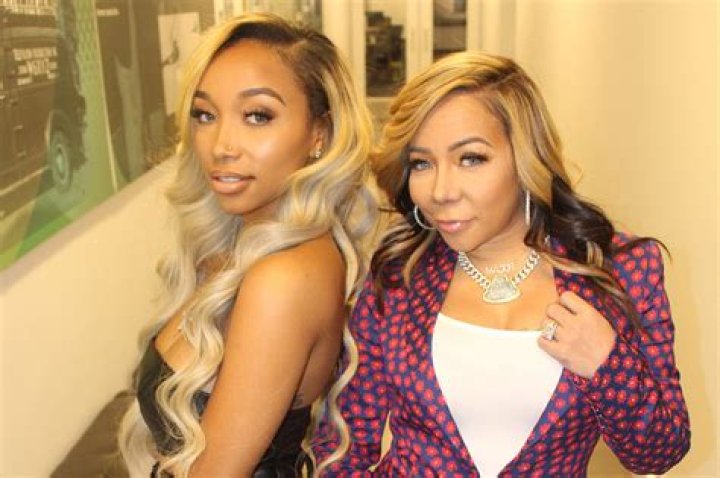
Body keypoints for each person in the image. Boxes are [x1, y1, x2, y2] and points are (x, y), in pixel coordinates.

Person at [312, 51, 690, 476]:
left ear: (526, 158)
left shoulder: (620, 268)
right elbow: (341, 445)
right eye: (421, 163)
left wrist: (607, 362)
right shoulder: (398, 274)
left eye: (471, 158)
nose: (441, 191)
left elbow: (660, 452)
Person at [118, 13, 378, 477]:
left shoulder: (284, 278)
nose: (222, 145)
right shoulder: (241, 246)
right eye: (205, 114)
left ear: (319, 133)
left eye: (258, 116)